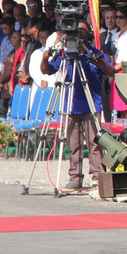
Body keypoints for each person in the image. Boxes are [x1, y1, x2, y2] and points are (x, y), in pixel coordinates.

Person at [40, 19, 115, 191]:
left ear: (89, 33)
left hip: (91, 105)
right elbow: (46, 70)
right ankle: (75, 178)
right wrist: (45, 57)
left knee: (95, 144)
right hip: (70, 106)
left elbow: (112, 72)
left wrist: (102, 63)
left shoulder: (94, 53)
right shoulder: (65, 55)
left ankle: (97, 176)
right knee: (73, 145)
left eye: (82, 30)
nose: (79, 33)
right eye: (76, 30)